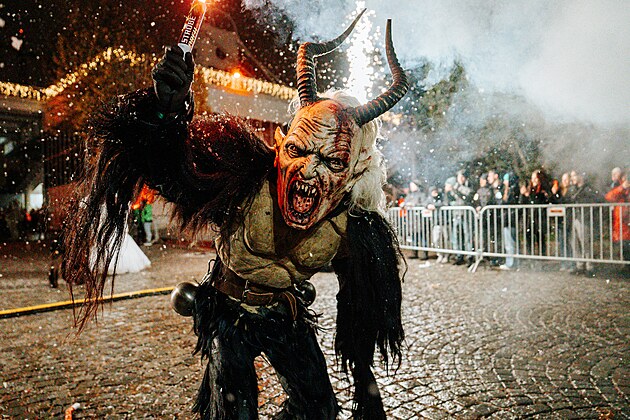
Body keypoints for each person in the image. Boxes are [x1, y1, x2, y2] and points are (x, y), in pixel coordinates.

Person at [62, 16, 407, 420]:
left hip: (286, 312)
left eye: (331, 161)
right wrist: (167, 111)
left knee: (318, 411)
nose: (307, 171)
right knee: (233, 414)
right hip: (229, 313)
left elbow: (362, 309)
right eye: (297, 151)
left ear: (356, 168)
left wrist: (365, 383)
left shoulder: (353, 229)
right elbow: (170, 172)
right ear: (279, 143)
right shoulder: (245, 178)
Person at [566, 171, 597, 275]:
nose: (572, 178)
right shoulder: (572, 189)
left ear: (580, 176)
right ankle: (579, 265)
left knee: (585, 243)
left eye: (574, 175)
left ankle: (589, 266)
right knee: (574, 243)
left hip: (583, 218)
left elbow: (594, 201)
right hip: (573, 218)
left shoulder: (588, 189)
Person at [447, 169, 474, 265]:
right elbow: (450, 199)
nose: (461, 179)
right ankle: (459, 255)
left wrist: (457, 188)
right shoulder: (454, 187)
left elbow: (468, 196)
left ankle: (470, 256)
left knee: (467, 236)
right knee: (457, 236)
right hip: (456, 214)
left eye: (462, 177)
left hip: (465, 215)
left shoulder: (468, 186)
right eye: (459, 177)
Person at [605, 169, 630, 264]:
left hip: (624, 221)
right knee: (623, 248)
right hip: (621, 223)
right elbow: (609, 197)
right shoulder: (618, 186)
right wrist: (622, 188)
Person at [425, 185, 448, 263]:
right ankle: (440, 254)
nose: (434, 193)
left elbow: (445, 203)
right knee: (436, 240)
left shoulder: (442, 196)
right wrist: (428, 205)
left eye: (435, 191)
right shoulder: (430, 198)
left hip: (444, 222)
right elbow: (424, 204)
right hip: (436, 222)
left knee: (446, 239)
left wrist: (435, 205)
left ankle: (446, 255)